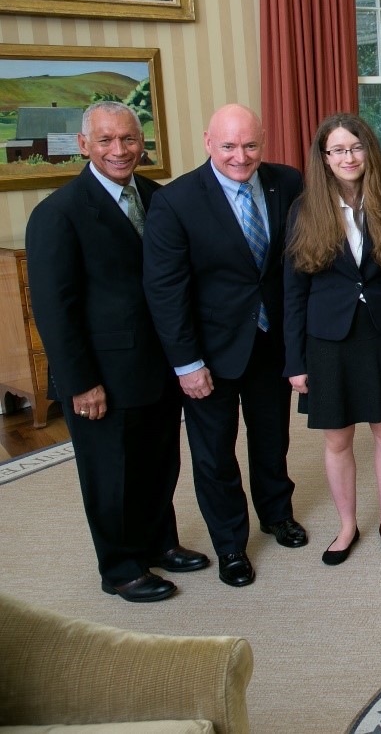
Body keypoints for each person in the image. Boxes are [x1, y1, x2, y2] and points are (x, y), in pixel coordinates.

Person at [26, 101, 205, 603]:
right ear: (84, 146)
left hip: (159, 364)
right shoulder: (57, 214)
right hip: (101, 374)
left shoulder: (157, 197)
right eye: (106, 140)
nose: (119, 150)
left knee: (158, 463)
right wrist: (79, 382)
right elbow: (54, 312)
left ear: (141, 143)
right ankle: (121, 567)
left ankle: (158, 544)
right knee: (110, 473)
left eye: (128, 139)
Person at [144, 104, 306, 589]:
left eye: (251, 145)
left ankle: (277, 514)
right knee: (214, 453)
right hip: (208, 354)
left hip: (270, 341)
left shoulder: (288, 182)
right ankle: (231, 543)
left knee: (272, 438)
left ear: (264, 141)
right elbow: (165, 290)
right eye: (230, 146)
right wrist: (186, 363)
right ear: (208, 141)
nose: (241, 156)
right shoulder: (175, 202)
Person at [284, 113, 381, 566]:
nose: (348, 157)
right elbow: (293, 292)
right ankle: (346, 525)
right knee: (337, 439)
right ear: (324, 158)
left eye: (355, 148)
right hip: (327, 340)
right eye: (337, 150)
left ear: (369, 153)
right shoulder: (305, 210)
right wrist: (294, 361)